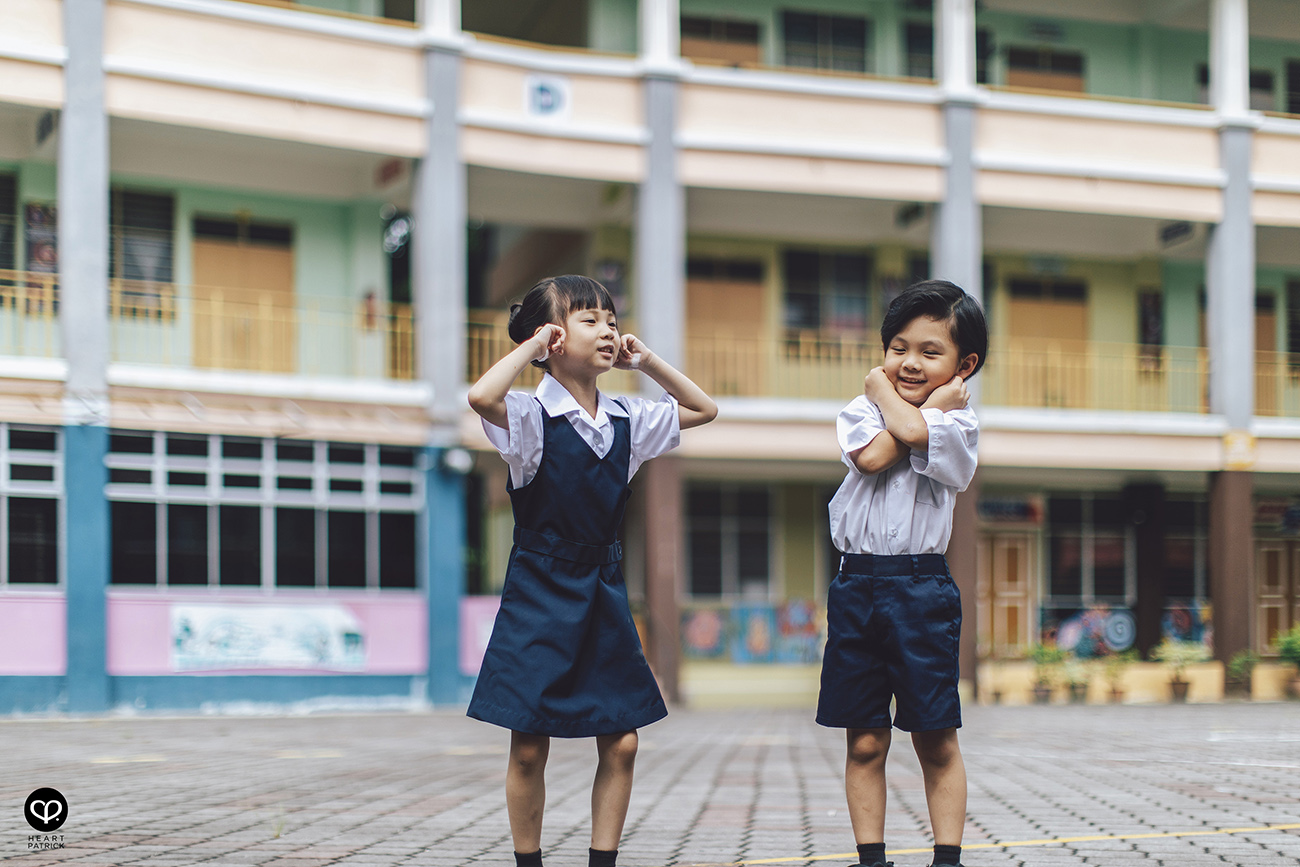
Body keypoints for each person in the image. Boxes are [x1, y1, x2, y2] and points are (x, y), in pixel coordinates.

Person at [466, 274, 718, 867]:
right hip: (539, 588)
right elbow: (480, 397)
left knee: (623, 741)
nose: (607, 330)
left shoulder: (628, 418)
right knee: (529, 746)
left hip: (602, 588)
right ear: (552, 336)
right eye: (589, 319)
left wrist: (647, 359)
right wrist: (530, 348)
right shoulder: (528, 417)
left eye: (611, 318)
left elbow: (704, 408)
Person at [817, 280, 988, 867]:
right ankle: (872, 859)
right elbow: (870, 456)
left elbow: (913, 436)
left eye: (929, 352)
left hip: (922, 587)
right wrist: (914, 404)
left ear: (963, 365)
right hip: (856, 585)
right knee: (864, 738)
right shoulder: (860, 411)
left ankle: (946, 859)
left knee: (935, 736)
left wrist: (918, 406)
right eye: (897, 348)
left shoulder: (960, 424)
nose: (908, 362)